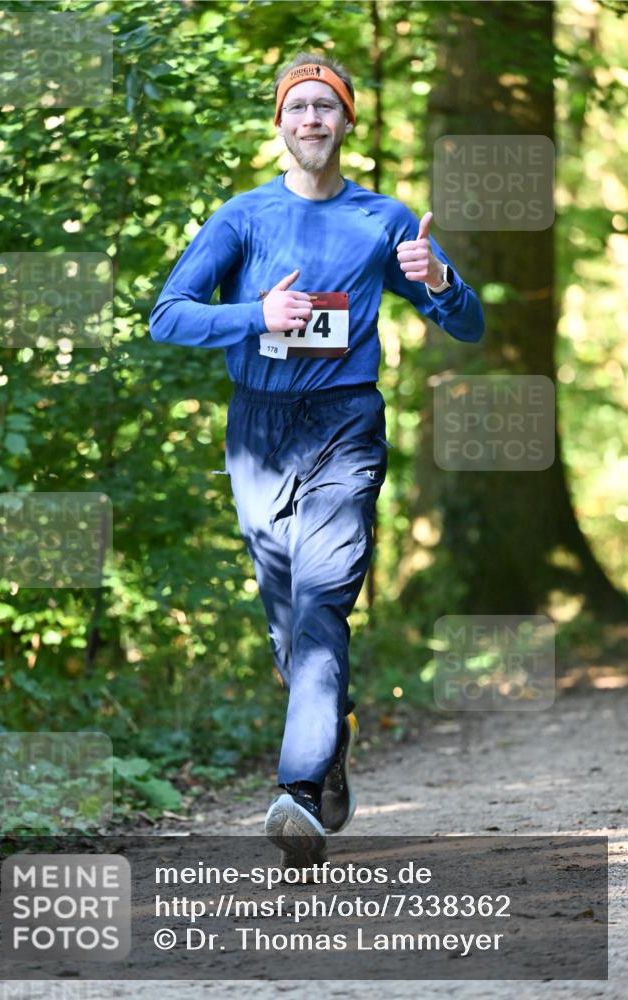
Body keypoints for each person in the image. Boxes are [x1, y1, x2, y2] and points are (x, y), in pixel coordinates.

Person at [150, 51, 484, 867]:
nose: (310, 120)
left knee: (323, 601)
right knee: (288, 626)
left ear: (346, 123)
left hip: (343, 423)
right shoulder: (243, 217)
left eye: (324, 108)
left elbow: (468, 325)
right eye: (296, 107)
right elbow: (167, 317)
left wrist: (438, 279)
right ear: (279, 122)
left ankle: (296, 792)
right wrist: (255, 314)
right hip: (257, 431)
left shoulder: (384, 219)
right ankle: (328, 740)